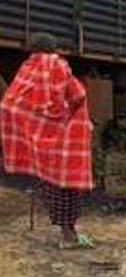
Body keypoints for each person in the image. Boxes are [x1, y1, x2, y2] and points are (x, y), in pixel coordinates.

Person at [1, 33, 94, 249]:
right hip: (65, 138)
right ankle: (68, 235)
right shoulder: (59, 66)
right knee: (68, 187)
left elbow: (9, 104)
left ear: (33, 49)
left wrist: (32, 128)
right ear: (53, 48)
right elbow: (78, 95)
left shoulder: (26, 69)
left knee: (50, 184)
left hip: (39, 141)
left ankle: (65, 233)